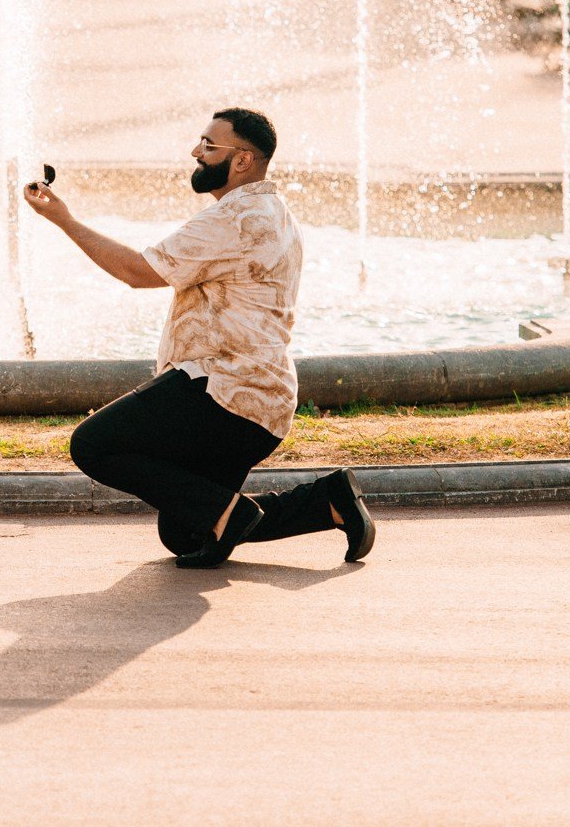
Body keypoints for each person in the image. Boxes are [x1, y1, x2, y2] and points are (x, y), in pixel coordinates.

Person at [22, 108, 375, 568]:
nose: (196, 152)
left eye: (209, 146)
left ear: (243, 160)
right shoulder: (276, 211)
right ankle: (328, 501)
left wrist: (64, 219)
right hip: (263, 405)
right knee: (185, 532)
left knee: (93, 444)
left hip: (221, 392)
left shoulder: (235, 219)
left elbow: (135, 271)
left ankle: (230, 514)